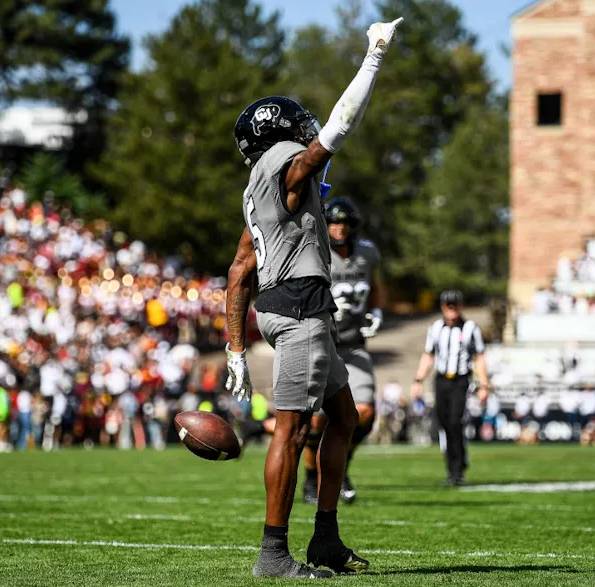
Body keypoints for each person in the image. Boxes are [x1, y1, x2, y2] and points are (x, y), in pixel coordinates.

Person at [223, 17, 403, 579]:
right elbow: (338, 130)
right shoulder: (283, 165)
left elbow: (238, 271)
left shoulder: (257, 188)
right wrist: (373, 55)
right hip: (299, 309)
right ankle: (273, 555)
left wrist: (234, 350)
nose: (307, 132)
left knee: (343, 418)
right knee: (293, 427)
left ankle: (325, 539)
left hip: (296, 309)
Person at [297, 197, 385, 505]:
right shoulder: (316, 253)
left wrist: (376, 312)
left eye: (343, 223)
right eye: (333, 222)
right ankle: (311, 478)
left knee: (365, 415)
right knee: (317, 421)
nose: (338, 229)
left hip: (354, 345)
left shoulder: (367, 253)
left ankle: (341, 464)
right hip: (323, 344)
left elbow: (374, 286)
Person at [410, 290, 489, 486]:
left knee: (455, 421)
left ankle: (457, 468)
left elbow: (479, 357)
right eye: (448, 305)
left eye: (455, 304)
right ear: (443, 307)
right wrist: (418, 380)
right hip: (441, 380)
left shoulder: (471, 328)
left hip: (460, 380)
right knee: (444, 422)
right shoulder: (436, 328)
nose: (451, 308)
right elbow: (428, 355)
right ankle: (456, 463)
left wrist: (484, 385)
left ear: (461, 306)